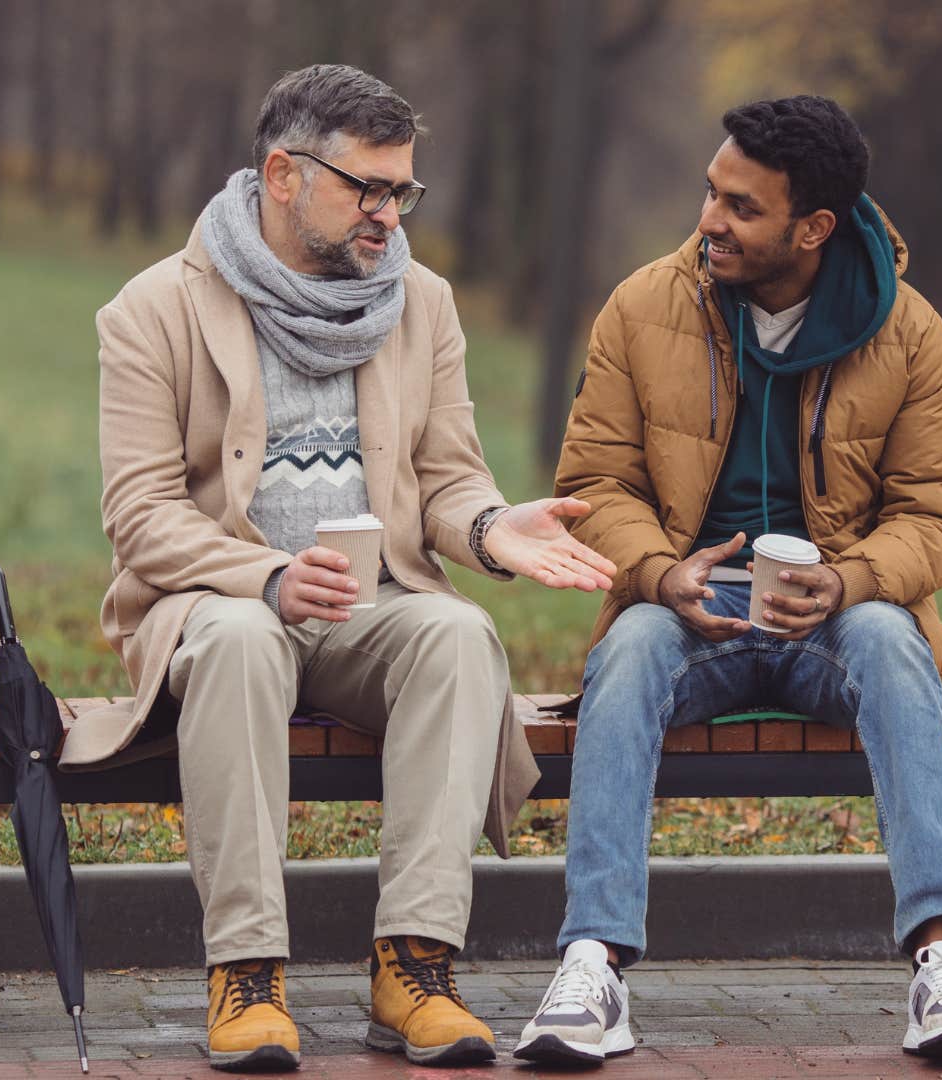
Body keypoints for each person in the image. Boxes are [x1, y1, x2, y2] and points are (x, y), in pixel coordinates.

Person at [65, 63, 615, 1072]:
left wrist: (493, 530)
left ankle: (414, 966)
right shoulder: (154, 310)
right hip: (218, 609)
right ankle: (247, 974)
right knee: (237, 642)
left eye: (402, 190)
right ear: (283, 174)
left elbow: (449, 481)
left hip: (374, 611)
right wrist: (268, 578)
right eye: (367, 188)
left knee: (456, 635)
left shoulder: (422, 303)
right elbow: (140, 518)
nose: (389, 215)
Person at [515, 95, 942, 1065]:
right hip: (690, 608)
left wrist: (855, 579)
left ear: (813, 228)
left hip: (836, 614)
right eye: (709, 193)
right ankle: (591, 966)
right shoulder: (644, 306)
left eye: (741, 208)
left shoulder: (907, 333)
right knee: (631, 646)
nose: (710, 221)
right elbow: (595, 483)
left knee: (895, 643)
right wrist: (658, 572)